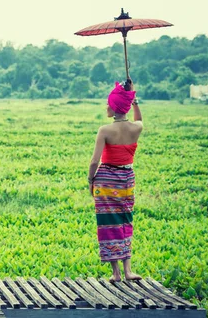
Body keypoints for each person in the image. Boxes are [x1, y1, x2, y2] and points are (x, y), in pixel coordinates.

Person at [88, 80, 143, 283]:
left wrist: (90, 181)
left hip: (106, 179)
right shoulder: (136, 128)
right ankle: (128, 271)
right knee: (124, 221)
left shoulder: (105, 130)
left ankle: (116, 274)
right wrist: (133, 99)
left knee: (108, 223)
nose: (106, 107)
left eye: (109, 104)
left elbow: (94, 161)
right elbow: (139, 119)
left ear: (114, 107)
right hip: (126, 179)